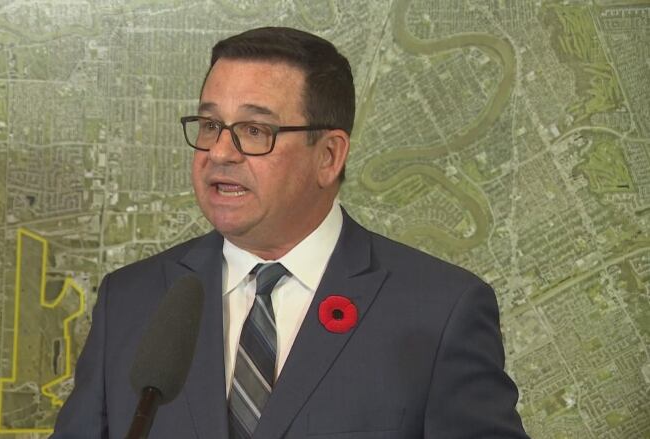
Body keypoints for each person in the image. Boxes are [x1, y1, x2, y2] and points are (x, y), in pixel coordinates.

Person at [50, 27, 529, 438]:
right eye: (212, 123)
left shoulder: (440, 311)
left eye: (255, 131)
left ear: (329, 156)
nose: (219, 152)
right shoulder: (131, 300)